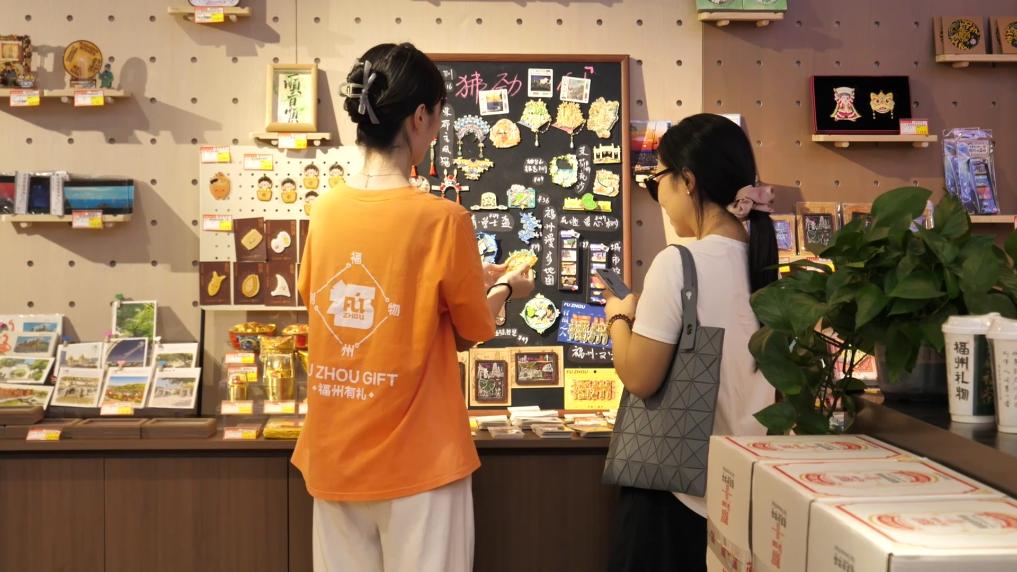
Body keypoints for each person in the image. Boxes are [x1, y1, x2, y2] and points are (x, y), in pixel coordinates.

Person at [292, 43, 534, 572]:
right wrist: (507, 288)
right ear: (420, 116)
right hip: (421, 459)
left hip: (334, 452)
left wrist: (469, 278)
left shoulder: (325, 210)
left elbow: (328, 299)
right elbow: (473, 328)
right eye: (439, 115)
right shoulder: (444, 219)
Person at [603, 113, 778, 572]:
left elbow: (640, 377)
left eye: (656, 180)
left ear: (687, 180)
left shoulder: (679, 263)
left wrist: (619, 317)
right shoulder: (766, 265)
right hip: (747, 488)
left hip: (676, 490)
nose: (659, 195)